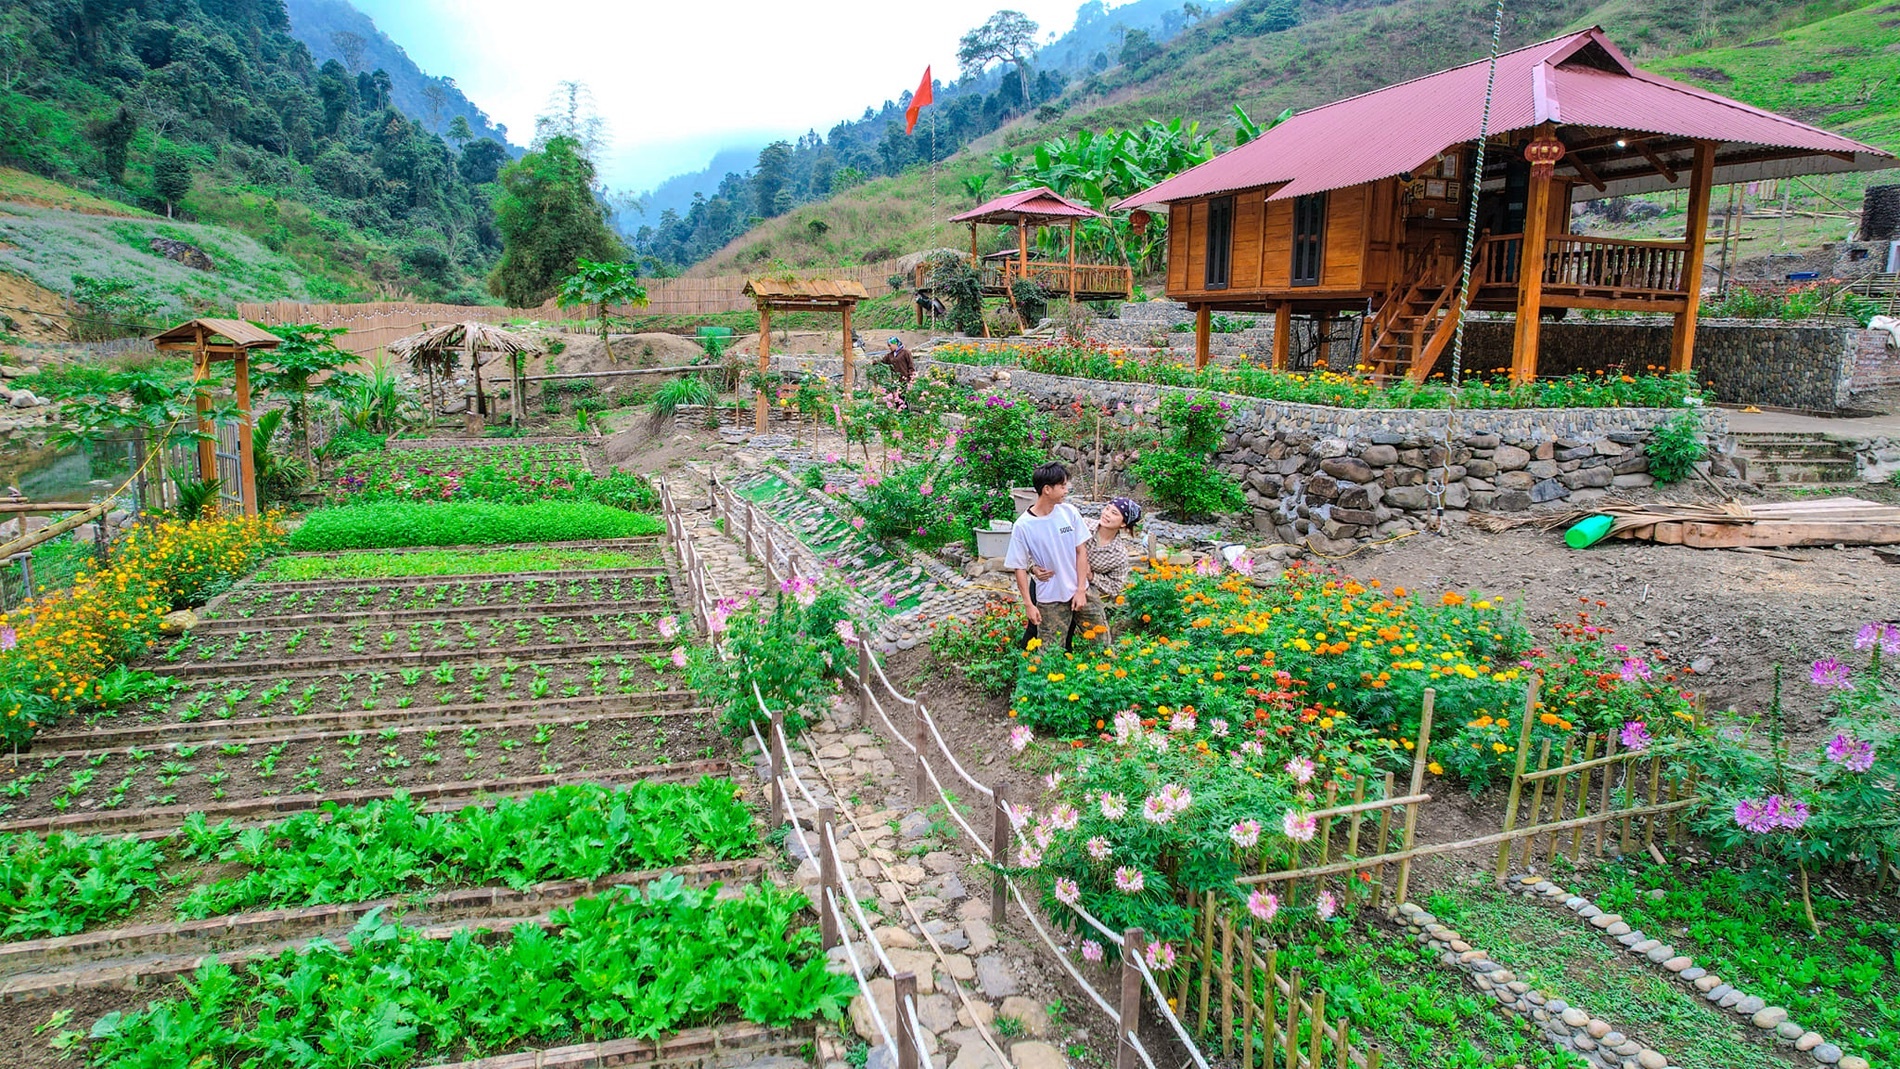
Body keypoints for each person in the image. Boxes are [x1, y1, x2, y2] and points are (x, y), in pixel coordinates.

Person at [1005, 462, 1090, 651]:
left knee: (1100, 640)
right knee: (1051, 652)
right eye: (1062, 486)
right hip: (1050, 597)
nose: (1066, 490)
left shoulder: (1069, 512)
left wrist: (1081, 589)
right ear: (1047, 489)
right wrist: (1028, 604)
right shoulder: (1023, 526)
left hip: (1080, 591)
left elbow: (1081, 551)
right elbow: (1018, 566)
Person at [1079, 497, 1142, 642]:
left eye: (1114, 513)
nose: (1107, 514)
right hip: (1056, 582)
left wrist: (1091, 575)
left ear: (1123, 523)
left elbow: (1115, 587)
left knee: (1101, 640)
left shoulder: (1118, 554)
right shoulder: (1083, 525)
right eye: (1107, 509)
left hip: (1085, 592)